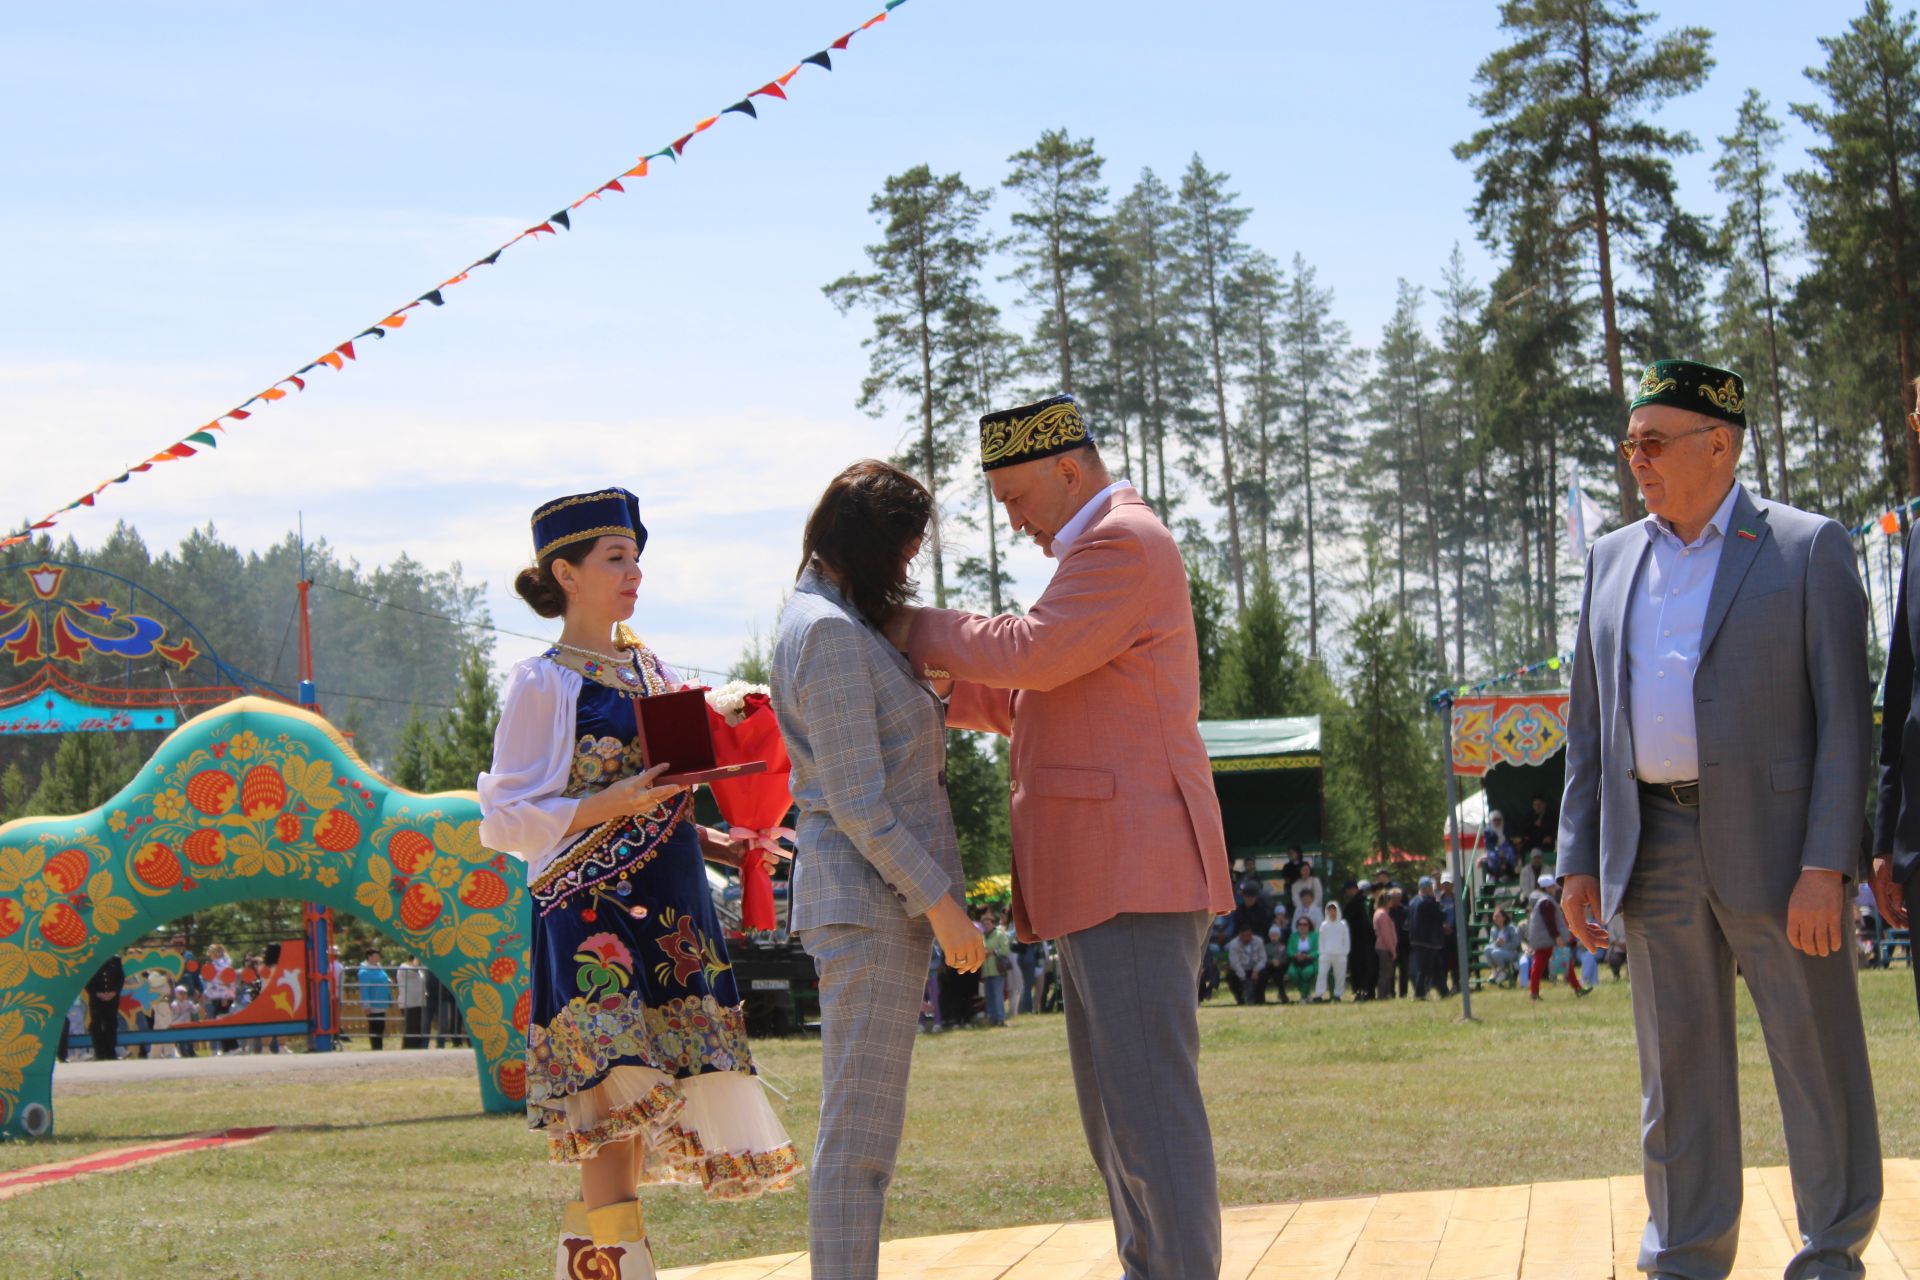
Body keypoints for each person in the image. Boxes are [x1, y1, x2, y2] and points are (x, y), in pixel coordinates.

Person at [889, 394, 1233, 1279]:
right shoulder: (1095, 552)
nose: (1012, 519)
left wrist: (902, 624)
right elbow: (1027, 698)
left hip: (1132, 873)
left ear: (1069, 471)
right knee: (1120, 1122)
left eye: (1014, 497)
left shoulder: (1123, 542)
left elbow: (1033, 654)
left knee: (1148, 1119)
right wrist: (919, 681)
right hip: (1106, 876)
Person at [1558, 361, 1880, 1279]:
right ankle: (1687, 1253)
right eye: (1629, 445)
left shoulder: (1806, 548)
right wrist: (1578, 858)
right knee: (1677, 1073)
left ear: (1720, 444)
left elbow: (1844, 722)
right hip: (1651, 845)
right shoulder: (1612, 558)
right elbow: (1589, 724)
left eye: (1653, 442)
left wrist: (1829, 863)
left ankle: (1832, 1247)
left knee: (1817, 1056)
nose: (1636, 463)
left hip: (1784, 858)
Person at [481, 487, 796, 1277]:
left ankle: (590, 1269)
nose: (634, 574)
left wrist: (718, 840)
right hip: (591, 920)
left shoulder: (650, 668)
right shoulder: (543, 682)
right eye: (615, 559)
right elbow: (506, 822)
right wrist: (610, 803)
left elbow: (659, 796)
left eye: (636, 559)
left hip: (673, 912)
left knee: (624, 1119)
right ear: (566, 572)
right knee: (610, 1103)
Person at [768, 462, 974, 1280]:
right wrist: (944, 906)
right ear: (870, 539)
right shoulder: (826, 632)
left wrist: (932, 698)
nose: (911, 560)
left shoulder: (830, 621)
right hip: (869, 902)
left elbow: (875, 762)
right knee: (858, 1144)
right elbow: (858, 802)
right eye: (905, 543)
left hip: (866, 901)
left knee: (863, 1138)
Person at [1525, 875, 1586, 1000]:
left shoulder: (1539, 900)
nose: (1554, 889)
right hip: (1549, 939)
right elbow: (1550, 922)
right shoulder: (1546, 902)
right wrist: (1557, 937)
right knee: (1565, 962)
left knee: (1538, 966)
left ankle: (1534, 992)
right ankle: (1577, 989)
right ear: (1546, 888)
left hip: (1541, 939)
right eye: (1552, 886)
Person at [85, 954, 123, 1062]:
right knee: (96, 1024)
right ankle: (99, 1052)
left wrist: (114, 992)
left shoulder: (115, 960)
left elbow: (120, 978)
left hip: (112, 998)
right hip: (97, 998)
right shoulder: (92, 959)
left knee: (111, 1023)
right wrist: (96, 993)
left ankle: (111, 1051)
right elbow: (87, 979)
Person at [1343, 880, 1377, 1001]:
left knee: (1363, 967)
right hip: (1360, 940)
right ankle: (1363, 991)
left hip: (1362, 940)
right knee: (1363, 967)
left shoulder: (1361, 902)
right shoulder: (1355, 903)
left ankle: (1364, 991)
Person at [1314, 895, 1350, 1002]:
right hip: (1326, 954)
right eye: (1329, 910)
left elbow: (1346, 940)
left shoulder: (1342, 925)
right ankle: (1319, 994)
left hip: (1340, 955)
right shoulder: (1324, 925)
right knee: (1322, 974)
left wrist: (1344, 952)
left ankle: (1337, 994)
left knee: (1339, 975)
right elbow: (1321, 940)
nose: (1332, 912)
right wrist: (1322, 953)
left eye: (1333, 910)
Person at [982, 910, 1012, 1027]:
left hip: (997, 971)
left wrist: (992, 952)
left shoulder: (1000, 935)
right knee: (989, 997)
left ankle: (1001, 1019)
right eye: (984, 924)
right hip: (986, 972)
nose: (986, 926)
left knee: (998, 996)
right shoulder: (982, 937)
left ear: (993, 924)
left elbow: (1005, 950)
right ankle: (992, 1018)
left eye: (988, 924)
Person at [357, 949, 391, 1051]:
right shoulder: (364, 972)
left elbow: (385, 980)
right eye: (376, 955)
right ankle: (375, 1047)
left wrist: (389, 998)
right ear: (369, 957)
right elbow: (364, 989)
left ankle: (379, 1047)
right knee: (374, 1025)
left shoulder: (380, 968)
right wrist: (366, 1005)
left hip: (382, 1001)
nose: (378, 957)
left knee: (381, 1025)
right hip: (373, 1002)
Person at [1226, 925, 1268, 1005]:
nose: (1246, 938)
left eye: (1248, 935)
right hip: (1241, 969)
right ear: (1240, 935)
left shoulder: (1259, 941)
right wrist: (1243, 976)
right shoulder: (1233, 944)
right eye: (1244, 936)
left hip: (1255, 968)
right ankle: (1240, 999)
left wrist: (1256, 970)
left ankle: (1260, 998)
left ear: (1251, 934)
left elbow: (1263, 958)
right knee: (1231, 975)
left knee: (1264, 973)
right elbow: (1234, 962)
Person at [1482, 907, 1520, 987]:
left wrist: (1503, 944)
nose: (1494, 918)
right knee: (1487, 949)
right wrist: (1497, 943)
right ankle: (1495, 970)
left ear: (1504, 918)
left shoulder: (1511, 928)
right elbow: (1491, 943)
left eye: (1497, 916)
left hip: (1511, 953)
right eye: (1494, 916)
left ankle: (1502, 971)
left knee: (1495, 952)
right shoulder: (1493, 929)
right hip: (1498, 950)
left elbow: (1516, 944)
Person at [1284, 915, 1319, 1002]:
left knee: (1307, 973)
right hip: (1296, 960)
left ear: (1309, 926)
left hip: (1310, 960)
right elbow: (1289, 950)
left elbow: (1318, 950)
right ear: (1297, 926)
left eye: (1305, 924)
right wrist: (1296, 955)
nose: (1302, 926)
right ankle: (1307, 995)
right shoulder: (1293, 936)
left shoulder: (1315, 936)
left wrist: (1309, 955)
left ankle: (1303, 997)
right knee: (1292, 973)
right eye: (1300, 924)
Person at [1371, 891, 1398, 1001]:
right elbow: (1386, 934)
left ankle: (1385, 993)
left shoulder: (1380, 913)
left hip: (1384, 947)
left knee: (1388, 972)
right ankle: (1382, 995)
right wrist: (1392, 949)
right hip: (1384, 947)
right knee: (1385, 973)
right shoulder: (1382, 914)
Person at [397, 955, 427, 1050]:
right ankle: (408, 1047)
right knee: (410, 1027)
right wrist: (416, 962)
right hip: (408, 1002)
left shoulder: (419, 970)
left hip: (419, 1002)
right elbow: (413, 972)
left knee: (417, 1027)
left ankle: (416, 1046)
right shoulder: (403, 968)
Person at [1388, 887, 1412, 997]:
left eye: (1398, 897)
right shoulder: (1387, 911)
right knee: (1391, 972)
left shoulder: (1406, 911)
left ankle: (1403, 993)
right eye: (1393, 897)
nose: (1396, 900)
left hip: (1403, 945)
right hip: (1391, 945)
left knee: (1404, 971)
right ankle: (1391, 992)